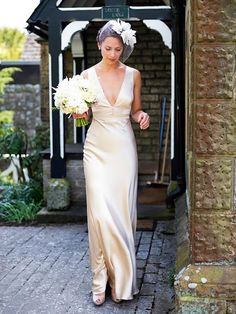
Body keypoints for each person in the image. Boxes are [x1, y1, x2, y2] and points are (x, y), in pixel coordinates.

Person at [73, 19, 150, 306]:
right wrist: (77, 112)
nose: (113, 54)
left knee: (122, 215)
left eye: (118, 49)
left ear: (124, 49)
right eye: (108, 48)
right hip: (96, 149)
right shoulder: (85, 76)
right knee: (99, 215)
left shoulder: (134, 75)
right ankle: (99, 280)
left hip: (123, 149)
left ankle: (121, 281)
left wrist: (141, 116)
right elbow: (84, 117)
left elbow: (135, 109)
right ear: (99, 46)